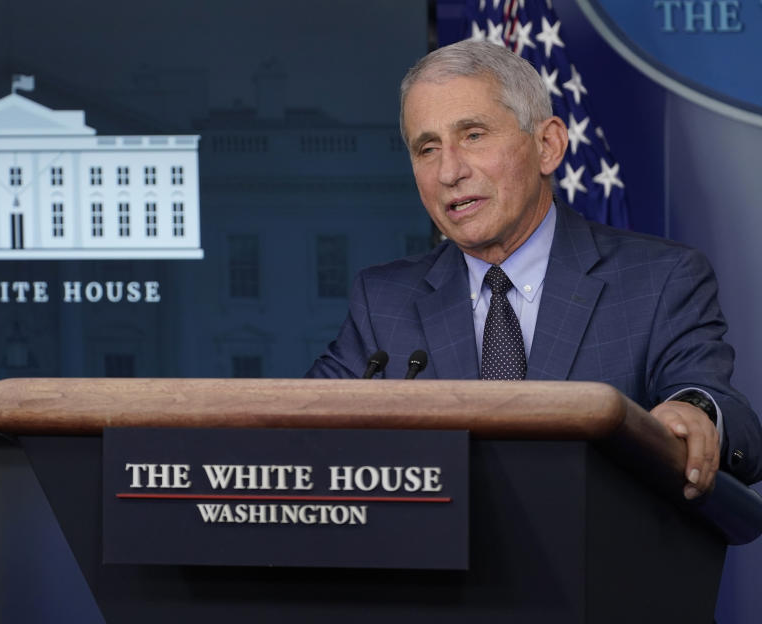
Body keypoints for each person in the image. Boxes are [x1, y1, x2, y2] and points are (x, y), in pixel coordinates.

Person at [306, 39, 762, 495]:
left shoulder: (660, 280)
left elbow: (731, 418)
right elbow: (298, 434)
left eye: (473, 135)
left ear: (548, 145)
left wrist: (694, 413)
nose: (449, 172)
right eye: (427, 148)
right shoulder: (383, 300)